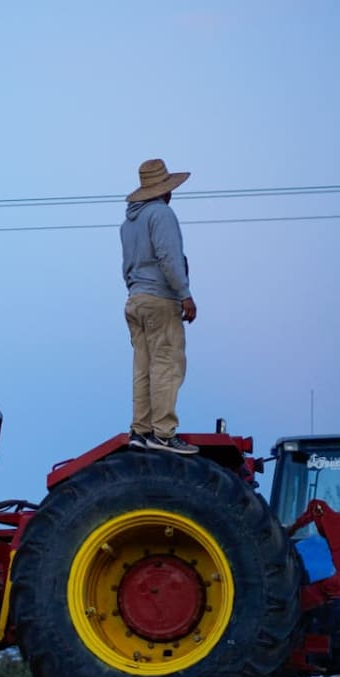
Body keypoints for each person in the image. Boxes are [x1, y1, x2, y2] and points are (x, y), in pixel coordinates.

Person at [120, 157, 200, 455]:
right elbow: (169, 257)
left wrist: (135, 290)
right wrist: (185, 294)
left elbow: (126, 266)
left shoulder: (128, 223)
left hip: (135, 299)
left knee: (143, 367)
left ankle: (140, 431)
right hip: (160, 299)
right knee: (167, 364)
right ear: (164, 190)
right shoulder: (162, 215)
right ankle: (164, 434)